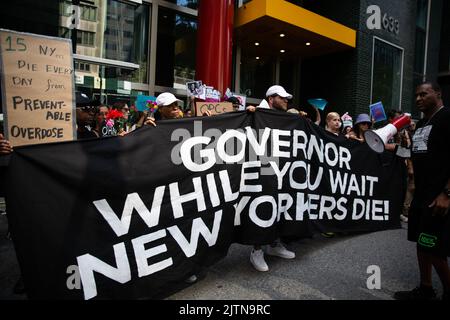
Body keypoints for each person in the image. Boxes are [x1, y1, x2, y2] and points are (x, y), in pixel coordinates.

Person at [394, 82, 450, 301]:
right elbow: (415, 153)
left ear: (438, 93)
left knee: (434, 247)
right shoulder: (422, 124)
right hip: (422, 195)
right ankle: (426, 288)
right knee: (421, 241)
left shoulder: (446, 117)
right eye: (416, 95)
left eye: (423, 94)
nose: (418, 99)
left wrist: (446, 193)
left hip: (439, 196)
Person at [247, 85, 296, 272]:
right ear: (270, 99)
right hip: (262, 167)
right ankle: (257, 250)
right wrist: (249, 114)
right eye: (282, 98)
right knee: (263, 204)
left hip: (281, 167)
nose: (286, 101)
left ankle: (274, 244)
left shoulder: (281, 116)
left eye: (286, 98)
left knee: (280, 203)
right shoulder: (256, 114)